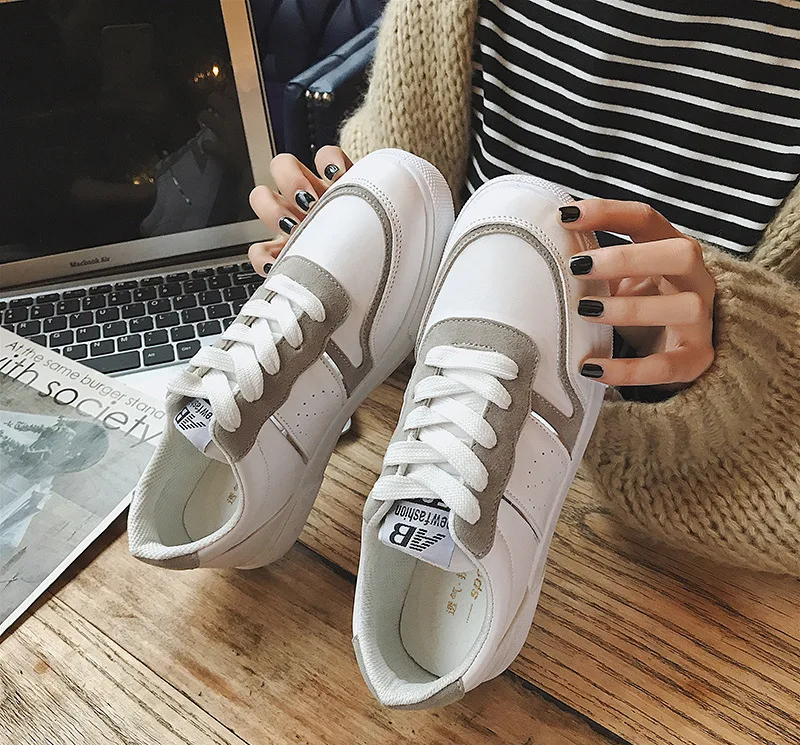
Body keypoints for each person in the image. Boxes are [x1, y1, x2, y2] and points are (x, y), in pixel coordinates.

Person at [245, 0, 800, 577]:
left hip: (663, 548)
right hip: (420, 444)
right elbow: (400, 164)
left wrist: (735, 361)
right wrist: (351, 242)